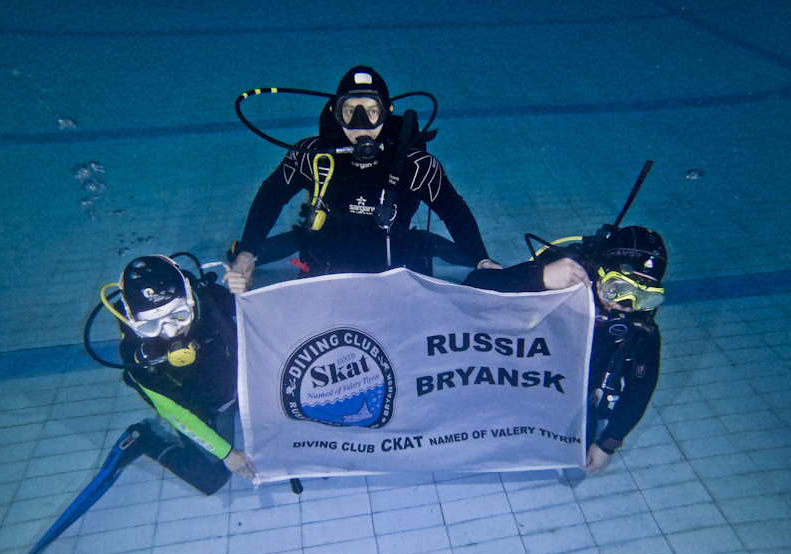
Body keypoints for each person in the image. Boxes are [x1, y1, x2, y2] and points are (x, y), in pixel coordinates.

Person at [225, 65, 500, 291]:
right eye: (350, 111)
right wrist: (247, 254)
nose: (360, 124)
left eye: (371, 111)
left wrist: (482, 260)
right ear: (336, 113)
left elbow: (455, 212)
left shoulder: (416, 165)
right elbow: (270, 196)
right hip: (324, 271)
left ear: (386, 112)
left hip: (393, 274)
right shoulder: (311, 156)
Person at [463, 226, 666, 475]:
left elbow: (639, 391)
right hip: (519, 379)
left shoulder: (641, 329)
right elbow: (472, 288)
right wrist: (541, 276)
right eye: (617, 288)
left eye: (643, 297)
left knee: (577, 453)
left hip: (571, 394)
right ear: (599, 273)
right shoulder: (559, 283)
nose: (627, 306)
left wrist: (608, 444)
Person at [111, 255, 256, 493]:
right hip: (199, 407)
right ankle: (145, 440)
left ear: (189, 298)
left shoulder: (208, 298)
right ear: (132, 319)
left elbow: (256, 311)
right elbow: (175, 412)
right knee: (211, 478)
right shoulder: (137, 358)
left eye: (178, 315)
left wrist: (245, 290)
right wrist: (227, 453)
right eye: (151, 325)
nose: (171, 331)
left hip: (236, 385)